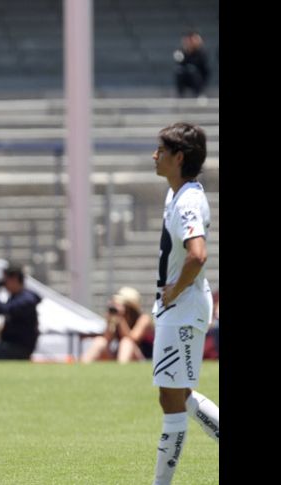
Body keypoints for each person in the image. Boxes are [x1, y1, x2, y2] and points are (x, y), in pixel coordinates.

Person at [150, 122, 219, 485]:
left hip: (183, 307)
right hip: (179, 308)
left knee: (171, 399)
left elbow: (197, 255)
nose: (154, 155)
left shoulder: (188, 200)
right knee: (177, 394)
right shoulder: (177, 192)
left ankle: (161, 483)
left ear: (178, 157)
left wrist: (174, 291)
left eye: (160, 150)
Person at [0, 264, 41, 360]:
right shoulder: (15, 296)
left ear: (14, 279)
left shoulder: (26, 299)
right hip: (11, 344)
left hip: (19, 346)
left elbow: (3, 309)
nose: (4, 284)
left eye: (6, 280)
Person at [80, 287, 154, 363]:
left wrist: (121, 319)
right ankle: (81, 368)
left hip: (142, 360)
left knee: (126, 343)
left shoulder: (144, 319)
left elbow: (133, 339)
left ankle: (121, 371)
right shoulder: (117, 319)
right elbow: (107, 340)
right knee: (100, 341)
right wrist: (110, 321)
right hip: (119, 357)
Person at [174, 31, 210, 98]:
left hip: (198, 78)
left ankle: (199, 94)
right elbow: (179, 62)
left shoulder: (201, 52)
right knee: (179, 71)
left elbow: (204, 67)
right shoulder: (183, 51)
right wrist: (186, 51)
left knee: (192, 70)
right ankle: (180, 94)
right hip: (186, 77)